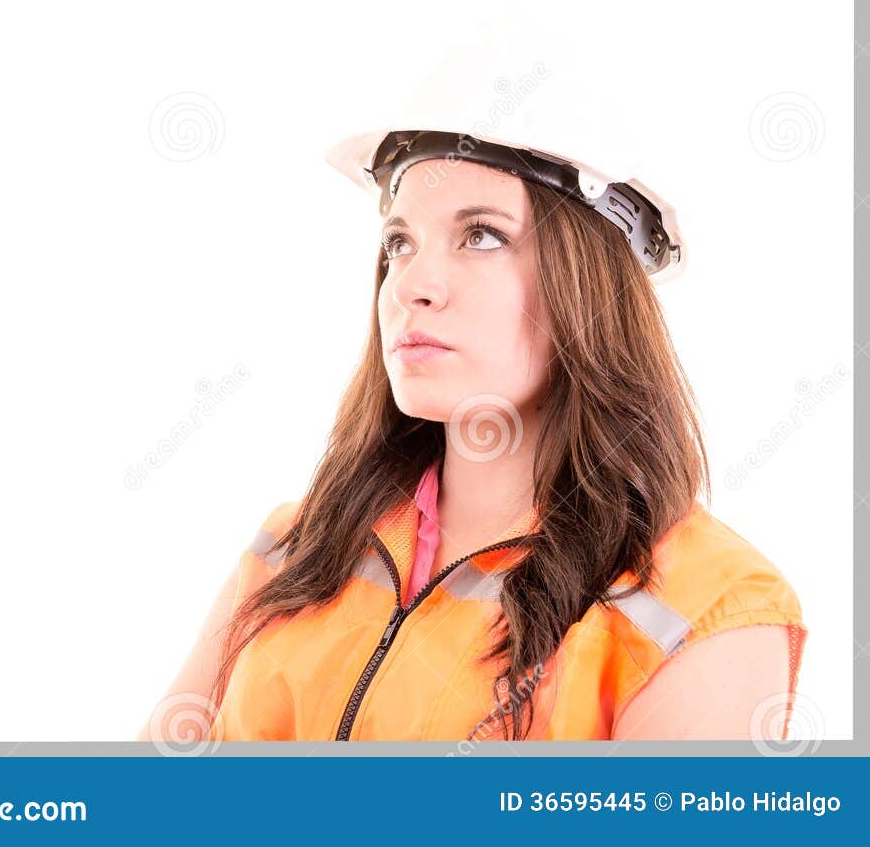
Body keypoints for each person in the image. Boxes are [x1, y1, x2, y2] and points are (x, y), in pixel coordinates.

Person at [140, 118, 805, 744]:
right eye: (399, 243)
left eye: (481, 235)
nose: (412, 286)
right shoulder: (294, 545)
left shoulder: (707, 607)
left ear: (591, 285)